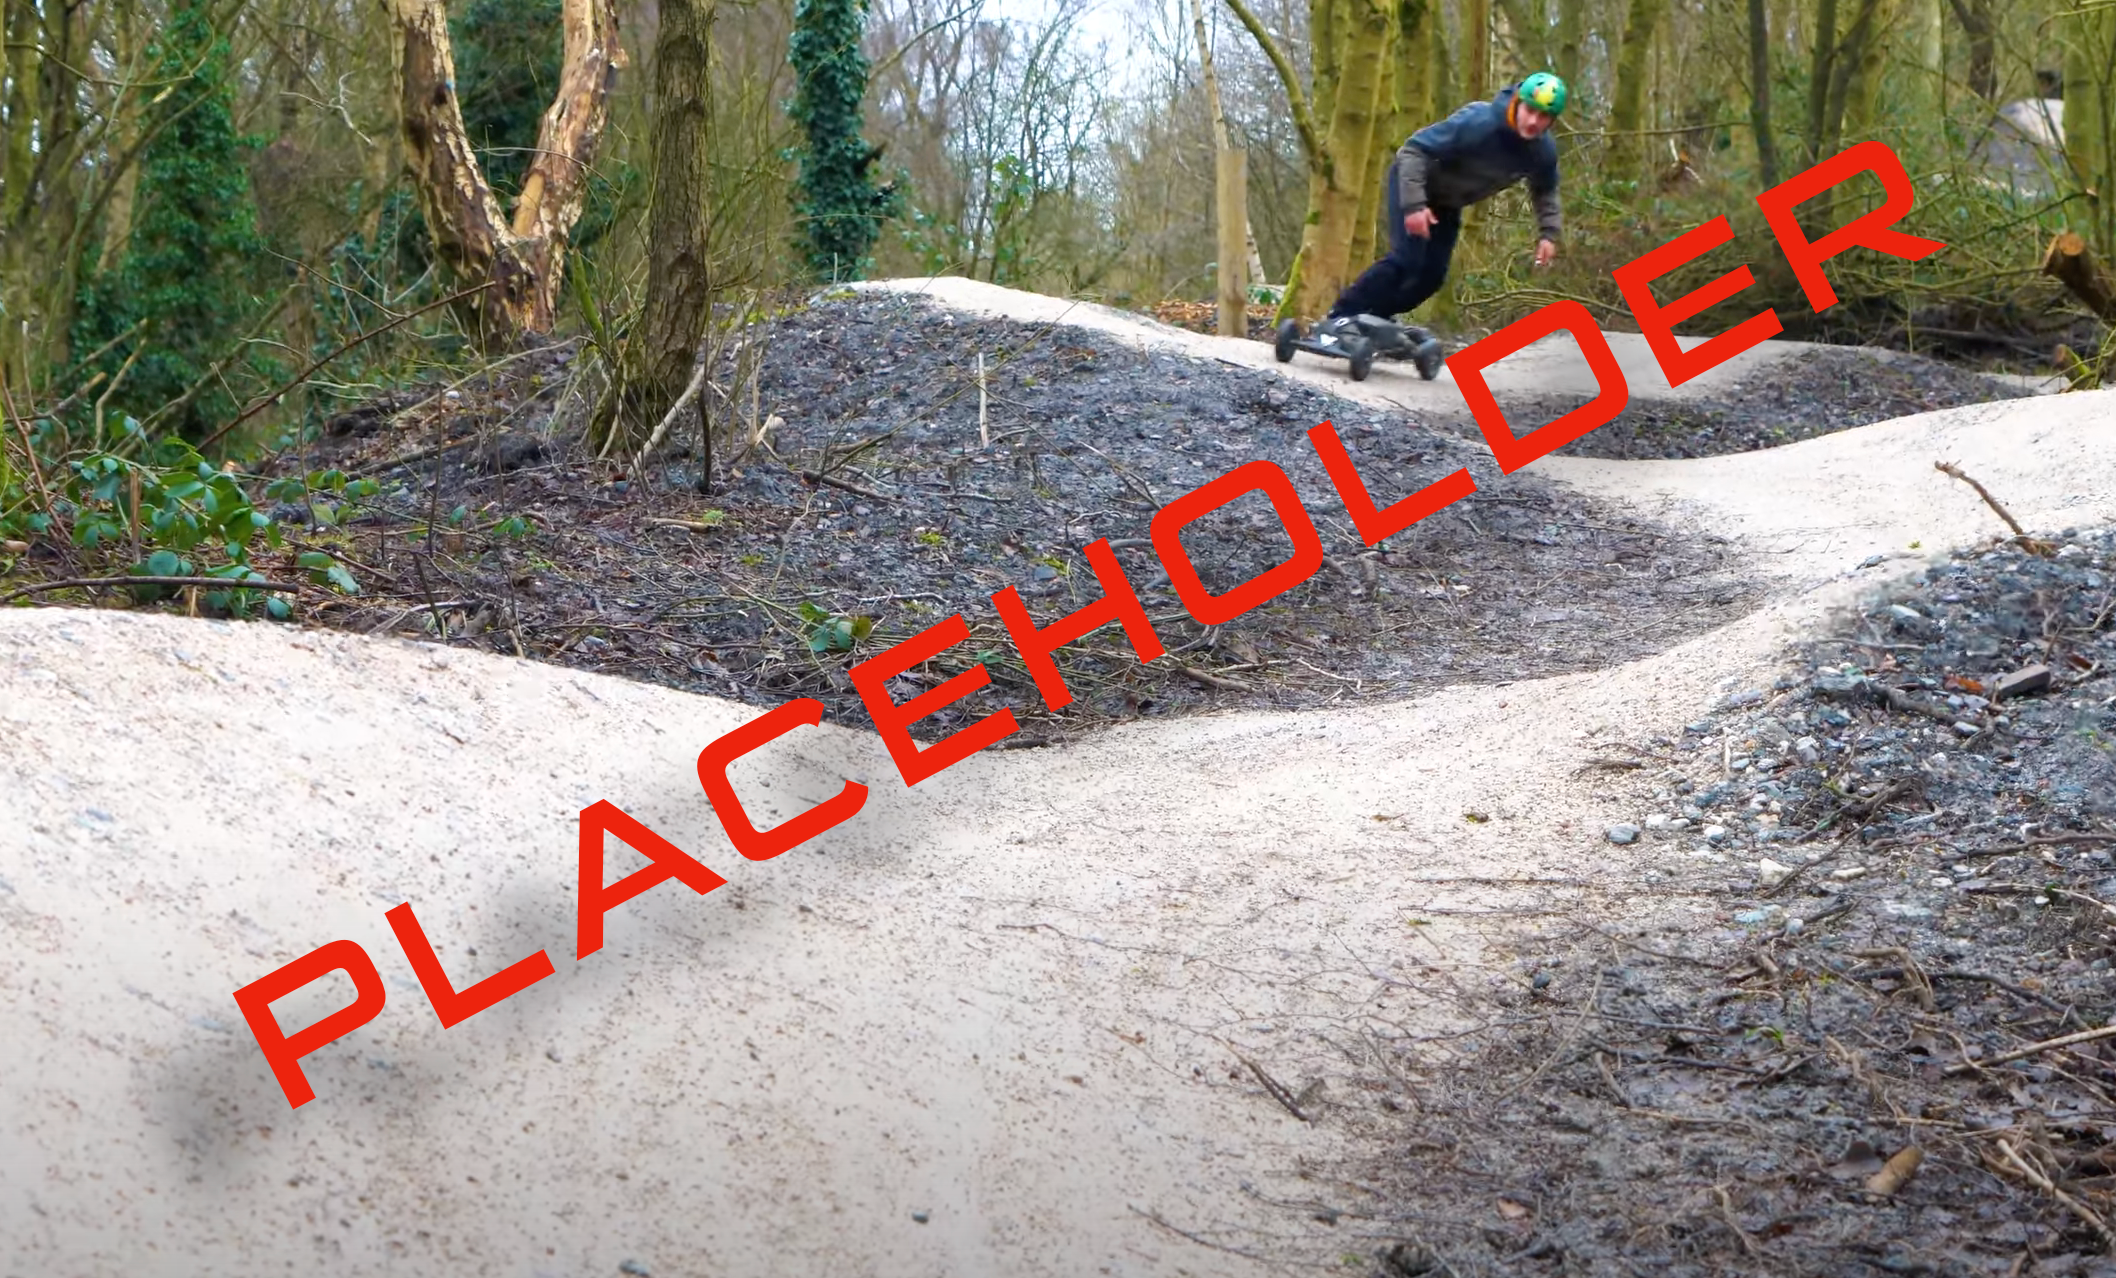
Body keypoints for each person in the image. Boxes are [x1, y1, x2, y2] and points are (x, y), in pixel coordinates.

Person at [1315, 72, 1569, 349]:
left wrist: (1548, 235)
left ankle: (1376, 320)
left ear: (1551, 121)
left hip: (1447, 205)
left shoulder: (1542, 152)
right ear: (1518, 103)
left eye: (1543, 117)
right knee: (1406, 260)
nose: (1533, 121)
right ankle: (1339, 317)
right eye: (1530, 110)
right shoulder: (1479, 123)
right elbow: (1413, 152)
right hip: (1414, 184)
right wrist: (1414, 206)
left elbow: (1545, 191)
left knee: (1432, 277)